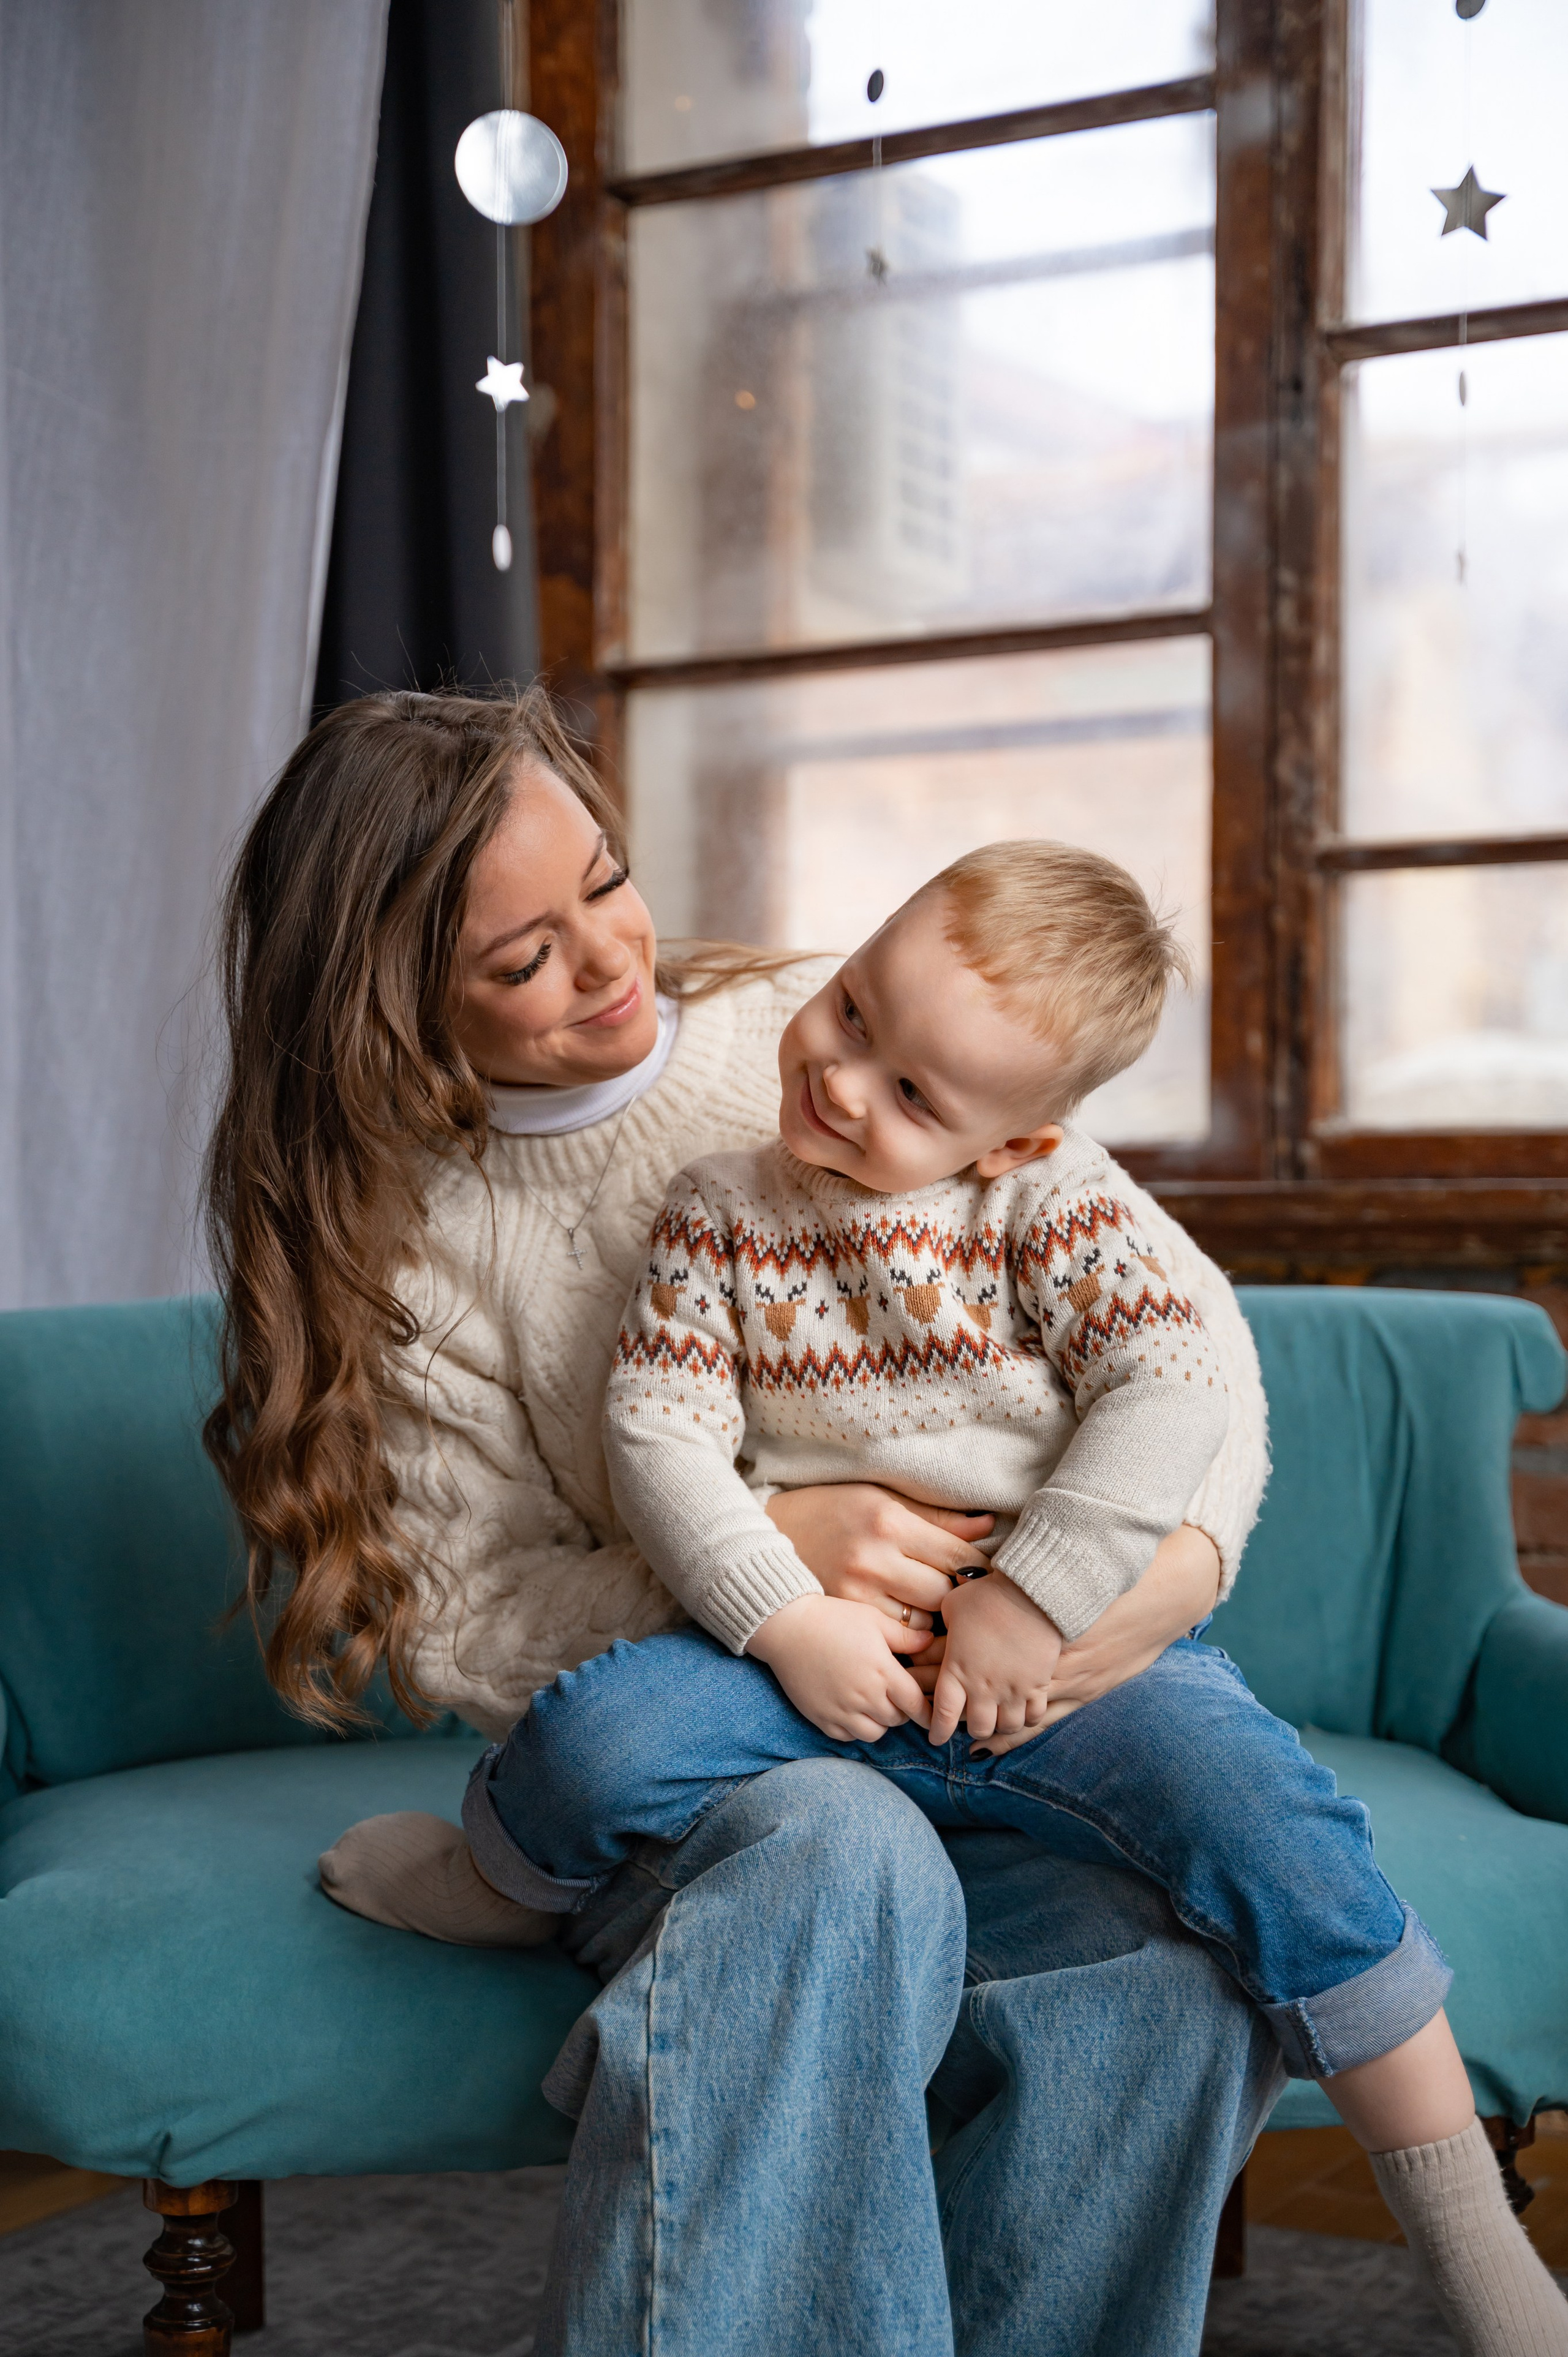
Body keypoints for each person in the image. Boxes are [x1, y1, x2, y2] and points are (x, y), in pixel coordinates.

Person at [206, 687, 1286, 2357]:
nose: (612, 959)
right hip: (722, 1785)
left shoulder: (832, 1026)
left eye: (608, 880)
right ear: (393, 1008)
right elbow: (467, 1622)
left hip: (991, 1737)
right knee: (841, 1859)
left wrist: (1156, 1582)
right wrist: (768, 1562)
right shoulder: (403, 1253)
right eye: (521, 962)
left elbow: (1187, 1351)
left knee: (1165, 1957)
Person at [478, 843, 1568, 2357]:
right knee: (596, 1737)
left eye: (917, 1095)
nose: (846, 1082)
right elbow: (657, 1433)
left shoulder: (1047, 1204)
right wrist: (782, 1616)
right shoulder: (716, 1208)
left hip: (1044, 1674)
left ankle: (1463, 2226)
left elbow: (1178, 1378)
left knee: (1265, 1815)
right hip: (814, 1662)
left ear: (1013, 1138)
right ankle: (485, 1878)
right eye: (852, 1011)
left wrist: (1039, 1603)